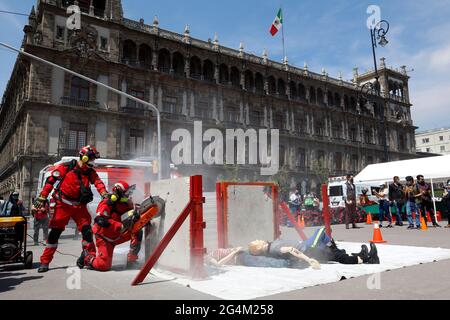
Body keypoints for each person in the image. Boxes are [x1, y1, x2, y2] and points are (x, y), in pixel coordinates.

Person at [33, 145, 109, 273]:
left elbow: (98, 182)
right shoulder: (66, 167)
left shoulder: (90, 172)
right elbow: (50, 181)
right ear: (84, 157)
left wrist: (104, 193)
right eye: (91, 159)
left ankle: (89, 257)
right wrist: (42, 198)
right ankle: (45, 262)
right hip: (63, 205)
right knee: (55, 233)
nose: (92, 162)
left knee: (87, 232)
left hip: (79, 207)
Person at [77, 181, 143, 271]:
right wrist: (119, 226)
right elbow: (100, 220)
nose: (127, 196)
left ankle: (132, 260)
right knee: (103, 266)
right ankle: (87, 257)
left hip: (117, 234)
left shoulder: (127, 204)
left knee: (137, 230)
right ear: (118, 193)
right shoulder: (107, 203)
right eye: (126, 193)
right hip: (104, 237)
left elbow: (129, 216)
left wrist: (136, 217)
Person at [248, 227, 380, 266]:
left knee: (334, 254)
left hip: (307, 247)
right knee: (321, 232)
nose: (258, 239)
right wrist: (308, 260)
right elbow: (291, 250)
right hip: (308, 248)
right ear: (258, 248)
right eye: (256, 242)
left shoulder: (271, 246)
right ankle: (366, 259)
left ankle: (362, 257)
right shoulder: (274, 248)